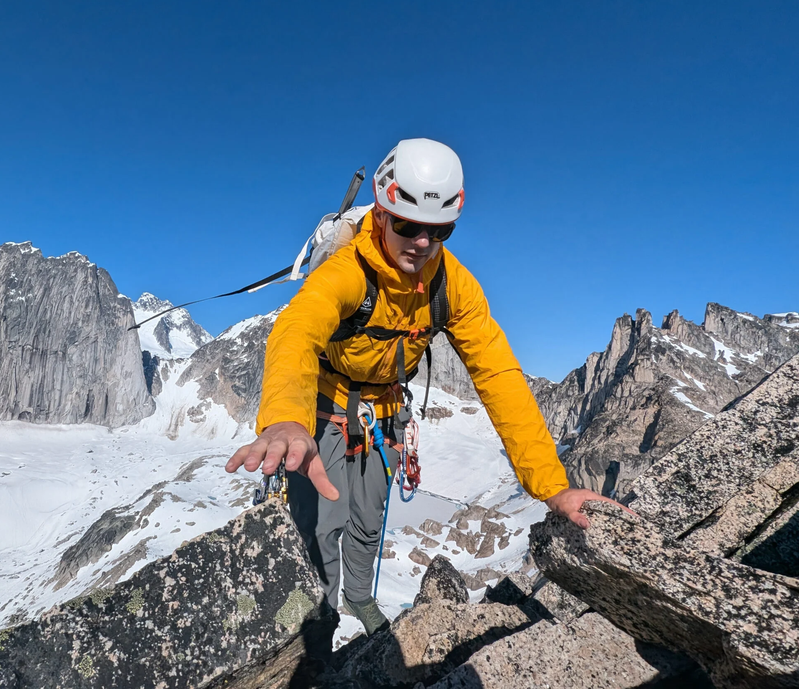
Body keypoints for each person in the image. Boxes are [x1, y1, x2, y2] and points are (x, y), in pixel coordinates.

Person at [226, 138, 627, 636]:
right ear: (382, 213)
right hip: (324, 407)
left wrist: (553, 487)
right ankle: (319, 625)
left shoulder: (453, 284)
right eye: (408, 225)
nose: (421, 242)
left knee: (369, 519)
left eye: (439, 231)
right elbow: (298, 330)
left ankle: (358, 596)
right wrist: (286, 415)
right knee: (322, 527)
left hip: (384, 413)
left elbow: (498, 375)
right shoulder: (347, 271)